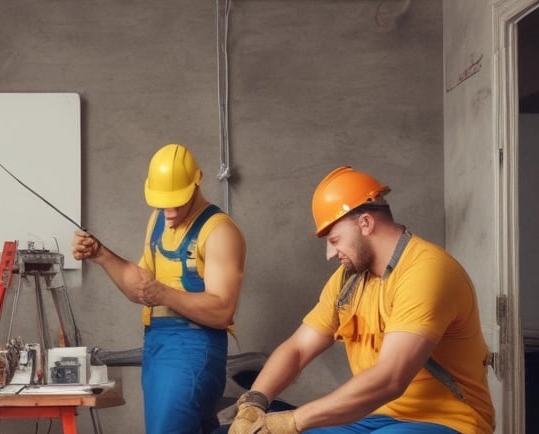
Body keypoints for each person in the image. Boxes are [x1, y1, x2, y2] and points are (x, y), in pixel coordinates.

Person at [227, 166, 494, 434]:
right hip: (376, 417)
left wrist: (292, 421)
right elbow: (297, 349)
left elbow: (391, 378)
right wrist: (255, 401)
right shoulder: (349, 281)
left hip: (448, 421)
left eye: (334, 239)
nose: (330, 253)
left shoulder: (426, 271)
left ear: (365, 223)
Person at [73, 143, 247, 433]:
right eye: (162, 202)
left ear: (197, 183)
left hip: (194, 349)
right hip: (156, 345)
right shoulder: (158, 221)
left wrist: (164, 294)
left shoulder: (220, 231)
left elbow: (222, 311)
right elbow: (139, 289)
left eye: (176, 201)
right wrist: (101, 255)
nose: (168, 211)